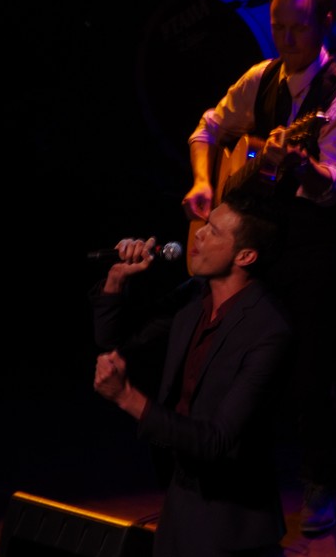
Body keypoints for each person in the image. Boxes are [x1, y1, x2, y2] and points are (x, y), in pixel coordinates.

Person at [181, 0, 336, 534]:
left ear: (325, 23)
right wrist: (203, 182)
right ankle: (229, 476)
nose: (286, 39)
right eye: (278, 26)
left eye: (299, 27)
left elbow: (334, 186)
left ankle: (318, 485)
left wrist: (300, 166)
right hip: (260, 246)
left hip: (316, 250)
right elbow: (207, 129)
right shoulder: (260, 77)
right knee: (237, 359)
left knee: (311, 371)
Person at [91, 189, 293, 557]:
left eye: (213, 231)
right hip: (179, 501)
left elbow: (218, 441)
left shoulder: (269, 330)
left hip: (233, 523)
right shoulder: (195, 295)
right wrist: (117, 279)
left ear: (245, 256)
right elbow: (114, 340)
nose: (198, 235)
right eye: (205, 224)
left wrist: (127, 398)